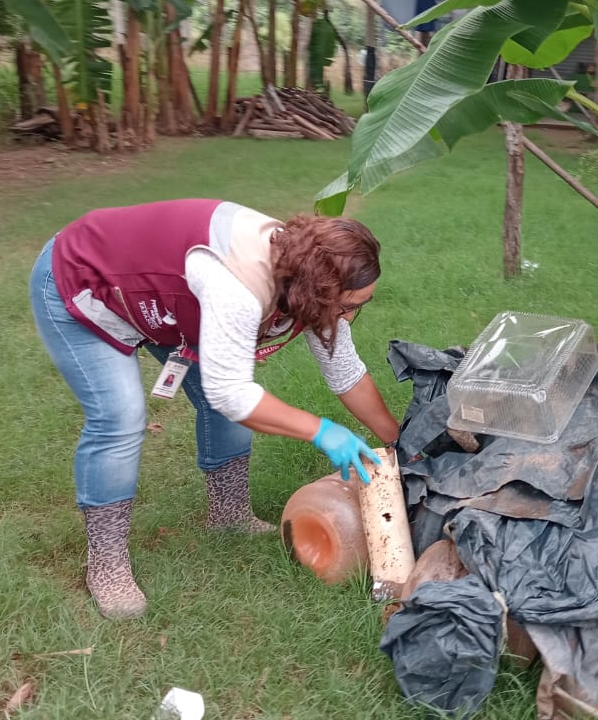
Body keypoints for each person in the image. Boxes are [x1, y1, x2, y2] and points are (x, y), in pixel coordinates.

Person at [30, 199, 400, 620]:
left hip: (166, 300)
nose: (348, 317)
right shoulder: (238, 287)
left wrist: (398, 441)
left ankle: (229, 515)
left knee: (221, 396)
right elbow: (232, 394)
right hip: (84, 280)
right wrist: (321, 430)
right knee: (121, 417)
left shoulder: (305, 277)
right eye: (346, 307)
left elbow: (346, 372)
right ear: (316, 291)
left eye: (358, 305)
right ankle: (107, 564)